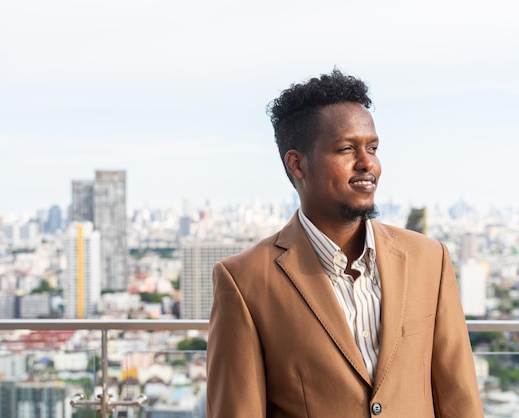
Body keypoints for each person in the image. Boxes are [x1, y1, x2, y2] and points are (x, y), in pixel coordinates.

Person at [206, 69, 483, 417]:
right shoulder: (244, 281)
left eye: (373, 147)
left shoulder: (429, 259)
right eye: (347, 149)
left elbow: (460, 400)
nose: (368, 164)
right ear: (297, 165)